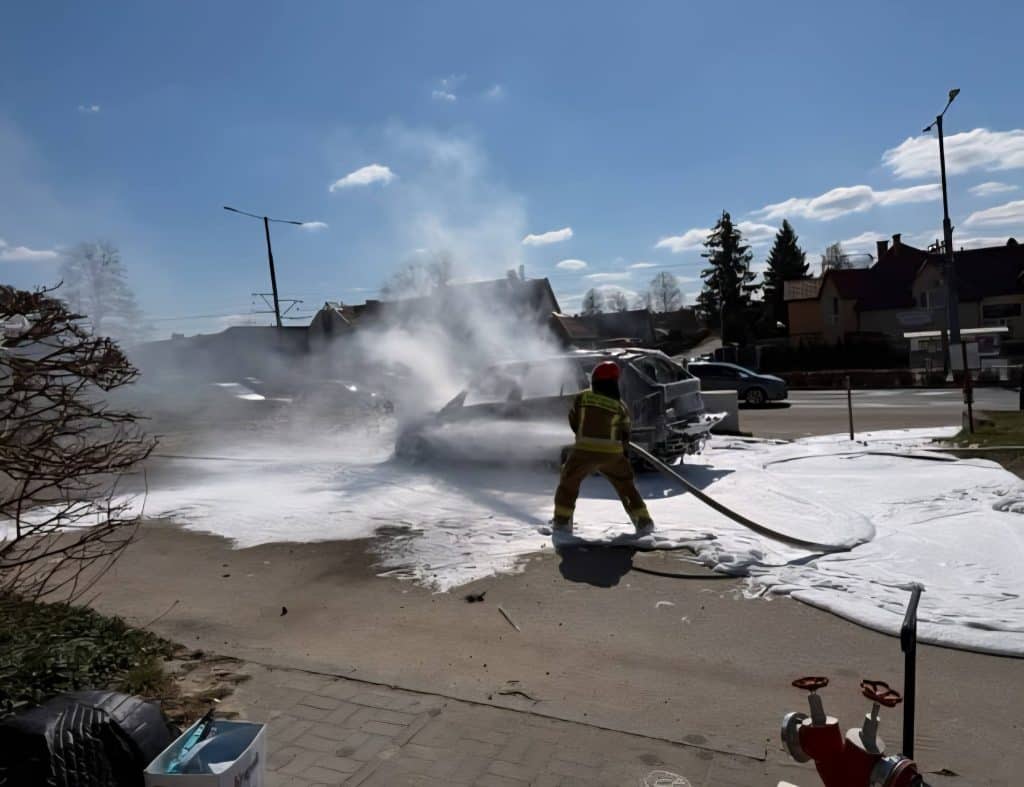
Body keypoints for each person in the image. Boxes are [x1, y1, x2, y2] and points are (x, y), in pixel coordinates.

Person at [552, 360, 654, 534]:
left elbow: (573, 419)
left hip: (583, 452)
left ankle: (562, 522)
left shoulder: (583, 397)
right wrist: (621, 452)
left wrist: (583, 436)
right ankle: (643, 522)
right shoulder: (620, 406)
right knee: (626, 486)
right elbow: (625, 432)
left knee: (568, 483)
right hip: (612, 455)